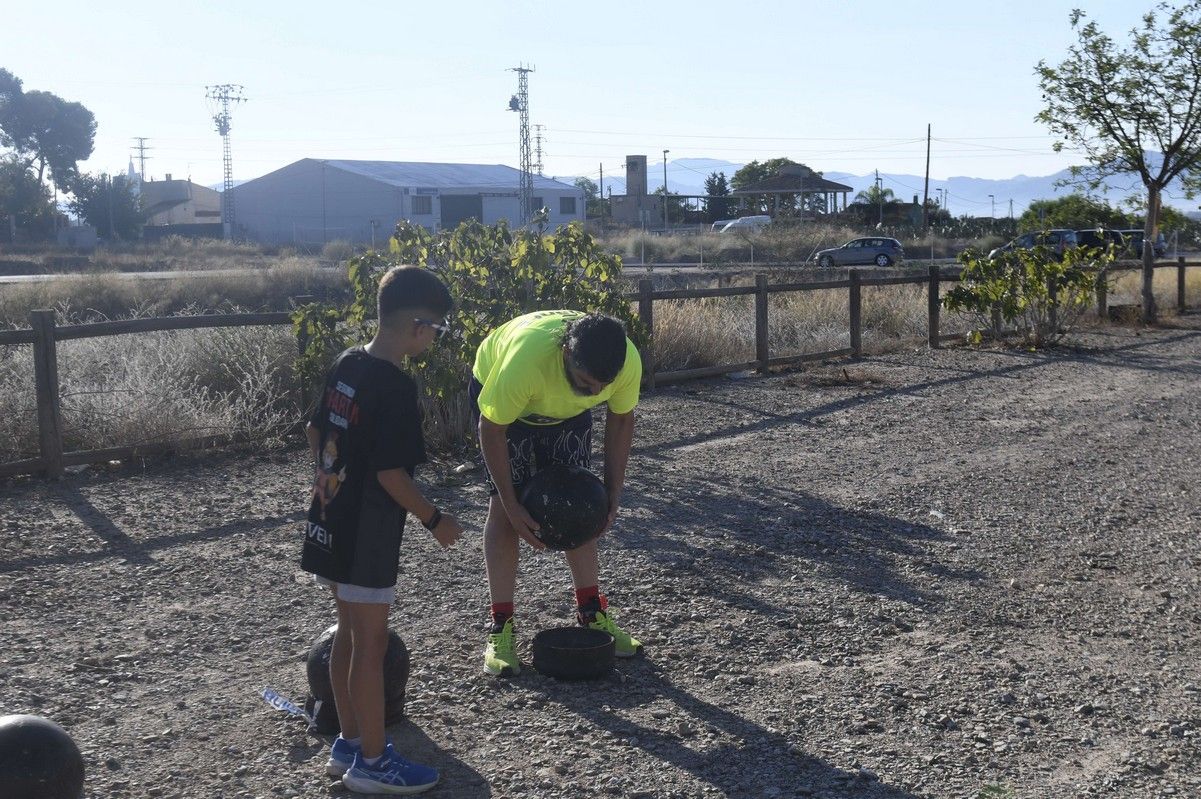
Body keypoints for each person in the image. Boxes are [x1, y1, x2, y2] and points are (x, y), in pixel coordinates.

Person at [301, 265, 464, 795]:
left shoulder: (348, 362)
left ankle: (349, 744)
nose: (436, 338)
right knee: (370, 648)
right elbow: (391, 475)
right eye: (437, 329)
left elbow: (314, 429)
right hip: (367, 532)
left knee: (349, 634)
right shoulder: (395, 386)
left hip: (329, 517)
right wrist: (435, 519)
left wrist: (329, 481)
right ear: (418, 326)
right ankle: (372, 763)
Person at [470, 309, 643, 676]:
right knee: (502, 512)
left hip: (565, 413)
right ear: (567, 353)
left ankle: (592, 612)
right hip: (504, 413)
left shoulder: (625, 361)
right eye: (585, 382)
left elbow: (622, 419)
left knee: (582, 503)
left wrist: (612, 492)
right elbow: (492, 427)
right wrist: (512, 505)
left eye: (601, 387)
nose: (594, 392)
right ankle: (500, 627)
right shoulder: (526, 361)